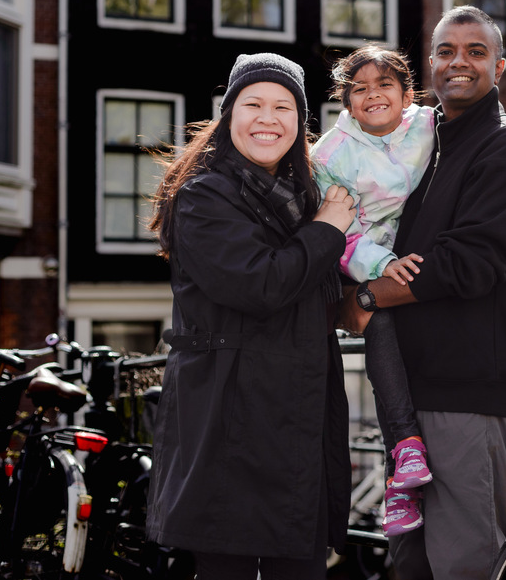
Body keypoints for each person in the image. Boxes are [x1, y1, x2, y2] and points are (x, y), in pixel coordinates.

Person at [341, 6, 506, 580]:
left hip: (468, 398)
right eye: (445, 51)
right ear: (431, 65)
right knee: (409, 568)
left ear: (500, 66)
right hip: (409, 402)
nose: (458, 62)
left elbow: (470, 266)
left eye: (476, 51)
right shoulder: (424, 145)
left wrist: (364, 300)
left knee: (466, 566)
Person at [146, 52, 359, 580]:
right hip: (230, 425)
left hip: (296, 422)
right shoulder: (201, 195)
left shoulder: (304, 195)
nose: (269, 118)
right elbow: (260, 284)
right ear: (228, 115)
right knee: (228, 567)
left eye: (284, 106)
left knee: (303, 567)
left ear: (300, 121)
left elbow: (313, 289)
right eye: (254, 104)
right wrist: (329, 228)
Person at [310, 44, 436, 536]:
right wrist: (383, 265)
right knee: (379, 320)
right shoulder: (330, 156)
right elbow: (338, 231)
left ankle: (402, 485)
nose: (372, 95)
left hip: (414, 248)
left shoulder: (431, 125)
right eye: (359, 89)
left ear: (407, 93)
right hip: (362, 259)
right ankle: (403, 452)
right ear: (346, 102)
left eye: (384, 84)